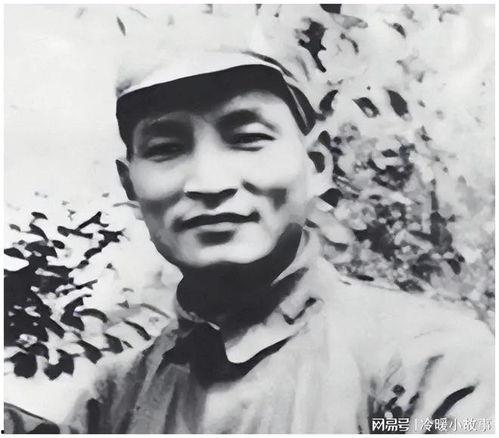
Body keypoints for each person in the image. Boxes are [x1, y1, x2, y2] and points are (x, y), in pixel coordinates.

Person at [5, 50, 494, 434]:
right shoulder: (115, 399)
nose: (210, 182)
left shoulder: (429, 363)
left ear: (317, 165)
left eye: (247, 138)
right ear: (130, 185)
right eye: (167, 148)